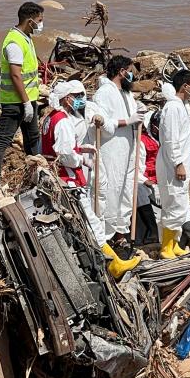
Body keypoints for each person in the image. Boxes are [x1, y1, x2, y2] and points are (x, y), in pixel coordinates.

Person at [42, 81, 140, 278]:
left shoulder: (51, 117)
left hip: (67, 176)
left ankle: (110, 262)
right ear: (66, 98)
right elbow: (65, 154)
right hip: (69, 179)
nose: (80, 99)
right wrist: (81, 160)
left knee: (90, 220)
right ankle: (112, 265)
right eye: (76, 96)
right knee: (92, 223)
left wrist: (82, 149)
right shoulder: (62, 121)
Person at [0, 1, 45, 190]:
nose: (41, 24)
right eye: (39, 20)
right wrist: (26, 103)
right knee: (2, 140)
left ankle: (34, 177)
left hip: (29, 99)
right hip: (15, 102)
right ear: (30, 21)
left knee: (33, 136)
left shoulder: (26, 37)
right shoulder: (14, 42)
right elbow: (15, 74)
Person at [93, 55, 145, 241]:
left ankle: (122, 233)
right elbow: (102, 124)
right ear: (122, 72)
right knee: (112, 190)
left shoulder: (126, 93)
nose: (132, 76)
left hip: (128, 148)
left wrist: (138, 114)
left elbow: (133, 116)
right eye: (130, 72)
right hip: (112, 150)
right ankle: (107, 235)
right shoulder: (104, 93)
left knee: (126, 190)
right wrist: (126, 121)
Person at [157, 70, 190, 259]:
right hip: (174, 166)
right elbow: (170, 139)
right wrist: (178, 163)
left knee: (180, 203)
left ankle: (173, 243)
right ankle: (166, 247)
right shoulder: (172, 108)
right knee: (174, 203)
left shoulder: (183, 106)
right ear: (185, 86)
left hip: (182, 164)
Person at [136, 110, 161, 245]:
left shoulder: (166, 141)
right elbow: (137, 170)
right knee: (139, 192)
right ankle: (152, 231)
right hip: (147, 182)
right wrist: (149, 183)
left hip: (162, 182)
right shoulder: (142, 142)